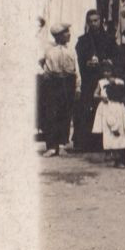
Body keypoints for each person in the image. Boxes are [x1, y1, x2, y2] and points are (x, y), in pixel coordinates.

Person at [72, 9, 118, 152]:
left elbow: (117, 57)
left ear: (101, 21)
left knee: (105, 109)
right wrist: (86, 63)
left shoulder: (109, 39)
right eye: (91, 21)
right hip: (89, 80)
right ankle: (85, 143)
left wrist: (108, 62)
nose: (94, 24)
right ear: (87, 23)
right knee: (86, 110)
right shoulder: (82, 41)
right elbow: (78, 60)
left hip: (103, 79)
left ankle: (104, 143)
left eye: (96, 20)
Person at [38, 23, 77, 156]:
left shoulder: (70, 49)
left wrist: (77, 86)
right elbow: (41, 62)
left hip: (68, 81)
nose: (69, 34)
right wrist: (48, 73)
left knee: (65, 112)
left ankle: (61, 144)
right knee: (51, 113)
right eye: (66, 32)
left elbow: (75, 68)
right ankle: (51, 146)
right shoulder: (49, 49)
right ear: (58, 36)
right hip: (53, 82)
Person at [93, 71, 125, 168]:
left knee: (124, 144)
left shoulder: (120, 105)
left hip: (123, 129)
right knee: (116, 145)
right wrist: (114, 128)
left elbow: (124, 116)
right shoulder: (110, 106)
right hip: (115, 130)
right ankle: (117, 161)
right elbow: (110, 119)